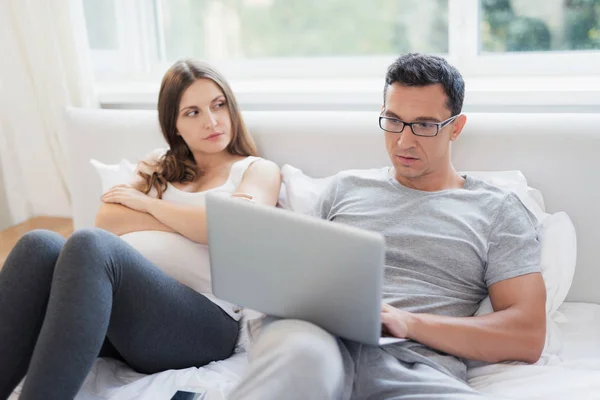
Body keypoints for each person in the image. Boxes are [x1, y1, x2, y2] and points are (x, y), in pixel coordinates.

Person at [229, 53, 546, 400]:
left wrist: (409, 323)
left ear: (456, 127)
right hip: (317, 342)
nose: (404, 142)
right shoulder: (344, 188)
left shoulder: (497, 209)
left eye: (425, 125)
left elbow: (527, 335)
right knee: (299, 355)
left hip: (416, 366)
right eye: (393, 121)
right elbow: (293, 281)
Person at [0, 59, 281, 400]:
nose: (211, 121)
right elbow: (107, 218)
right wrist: (189, 225)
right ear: (175, 125)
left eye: (218, 105)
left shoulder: (256, 170)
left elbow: (230, 228)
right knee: (39, 243)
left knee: (91, 245)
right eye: (192, 112)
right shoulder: (160, 163)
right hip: (127, 318)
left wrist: (149, 205)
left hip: (205, 322)